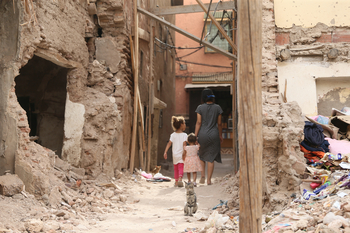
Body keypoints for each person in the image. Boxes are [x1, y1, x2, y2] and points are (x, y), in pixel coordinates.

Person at [195, 88, 223, 185]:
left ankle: (202, 175)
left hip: (202, 134)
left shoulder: (200, 108)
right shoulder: (218, 108)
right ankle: (209, 180)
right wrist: (220, 135)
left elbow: (198, 122)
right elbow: (219, 124)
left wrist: (195, 136)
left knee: (202, 156)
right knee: (211, 158)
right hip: (214, 134)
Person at [163, 116, 187, 187]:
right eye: (184, 123)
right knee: (181, 167)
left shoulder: (172, 135)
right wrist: (185, 153)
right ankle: (180, 178)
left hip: (175, 155)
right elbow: (184, 144)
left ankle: (176, 182)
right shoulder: (184, 135)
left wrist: (165, 151)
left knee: (175, 168)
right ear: (181, 124)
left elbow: (169, 143)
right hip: (181, 154)